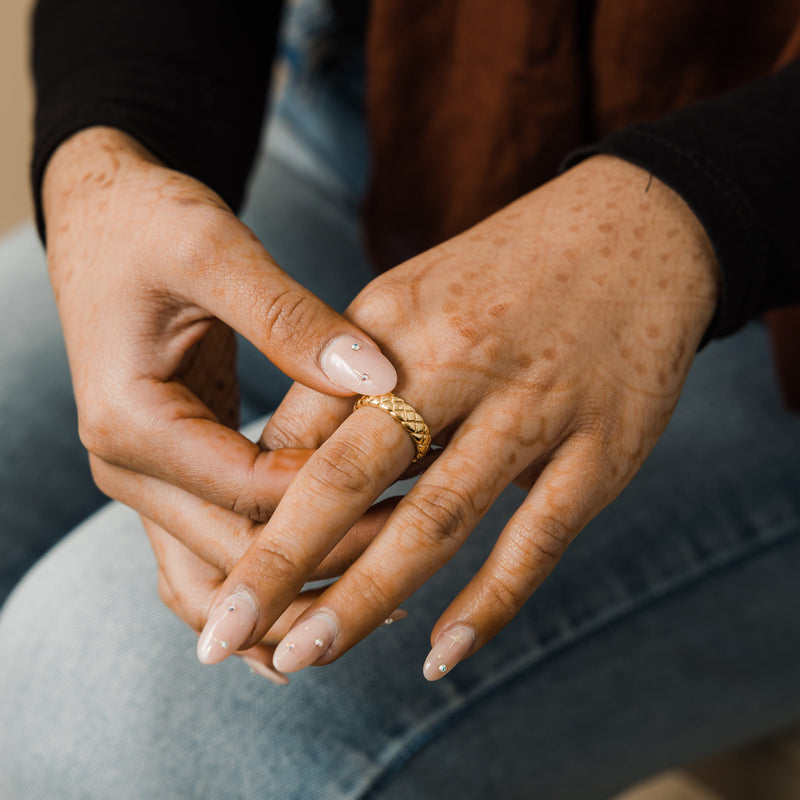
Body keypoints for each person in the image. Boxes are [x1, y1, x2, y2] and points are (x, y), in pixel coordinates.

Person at [0, 1, 799, 797]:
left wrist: (691, 210)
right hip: (390, 121)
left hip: (752, 279)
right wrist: (106, 158)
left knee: (119, 713)